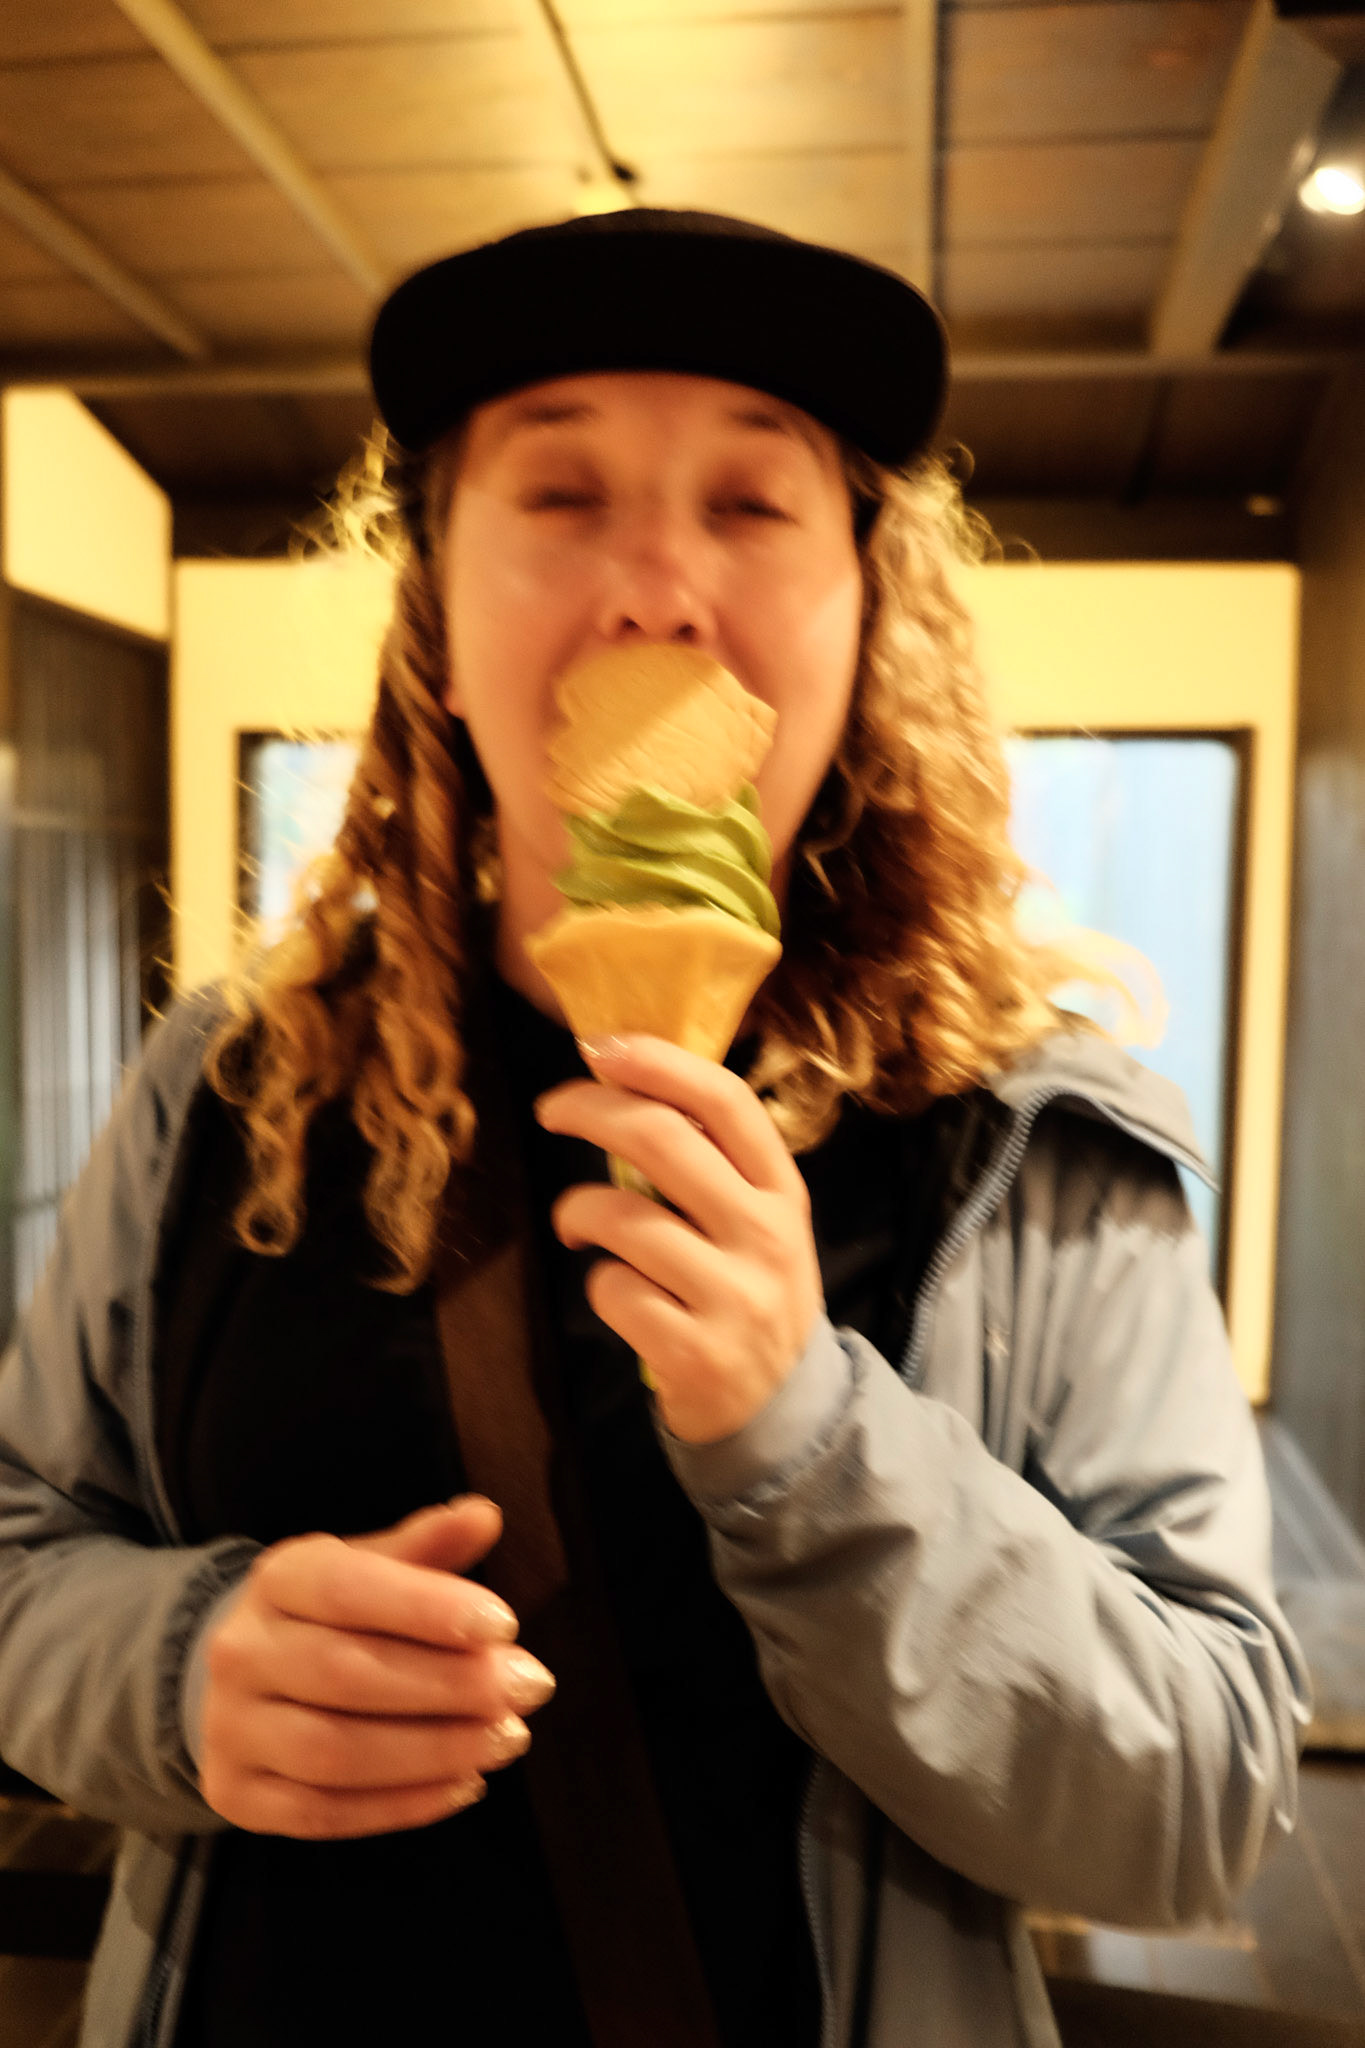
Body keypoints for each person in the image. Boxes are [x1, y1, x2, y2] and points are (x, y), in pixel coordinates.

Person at [0, 209, 1308, 2048]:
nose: (656, 590)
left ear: (866, 616)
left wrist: (809, 1435)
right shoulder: (228, 1082)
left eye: (752, 503)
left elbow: (1200, 1800)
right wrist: (169, 1668)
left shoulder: (1037, 1141)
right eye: (560, 495)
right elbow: (19, 1551)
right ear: (437, 620)